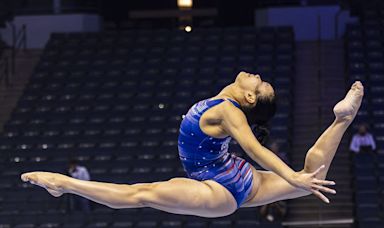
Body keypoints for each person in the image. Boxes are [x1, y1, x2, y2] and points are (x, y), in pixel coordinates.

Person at [21, 72, 364, 218]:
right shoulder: (225, 101)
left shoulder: (229, 113)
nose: (255, 76)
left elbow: (255, 150)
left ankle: (63, 184)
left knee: (140, 194)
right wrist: (298, 180)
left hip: (219, 189)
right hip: (237, 176)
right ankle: (342, 119)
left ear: (248, 96)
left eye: (259, 83)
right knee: (310, 178)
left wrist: (292, 178)